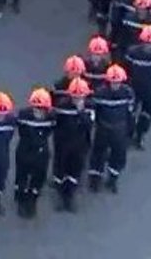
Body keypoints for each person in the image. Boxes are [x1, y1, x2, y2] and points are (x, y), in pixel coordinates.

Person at [88, 64, 135, 194]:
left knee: (119, 156)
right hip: (103, 128)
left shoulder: (128, 93)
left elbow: (130, 113)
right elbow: (94, 111)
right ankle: (95, 179)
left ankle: (112, 179)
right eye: (113, 82)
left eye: (117, 82)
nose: (115, 84)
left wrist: (130, 131)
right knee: (98, 153)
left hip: (120, 129)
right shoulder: (99, 93)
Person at [52, 77, 93, 212]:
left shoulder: (89, 107)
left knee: (75, 171)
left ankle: (69, 197)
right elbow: (54, 123)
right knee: (60, 170)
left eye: (80, 96)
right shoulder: (62, 106)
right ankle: (60, 194)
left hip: (80, 145)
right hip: (62, 144)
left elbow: (89, 124)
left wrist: (80, 112)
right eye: (75, 96)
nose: (77, 99)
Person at [14, 87, 54, 218]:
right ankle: (21, 199)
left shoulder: (51, 118)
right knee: (22, 176)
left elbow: (51, 130)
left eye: (41, 109)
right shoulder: (24, 116)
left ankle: (32, 200)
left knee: (39, 177)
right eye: (36, 108)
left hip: (41, 153)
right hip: (25, 151)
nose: (38, 112)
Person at [124, 25, 151, 149]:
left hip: (149, 87)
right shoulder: (132, 53)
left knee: (147, 112)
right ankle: (128, 134)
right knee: (129, 112)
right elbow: (127, 68)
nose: (149, 46)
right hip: (133, 86)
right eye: (146, 43)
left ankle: (140, 135)